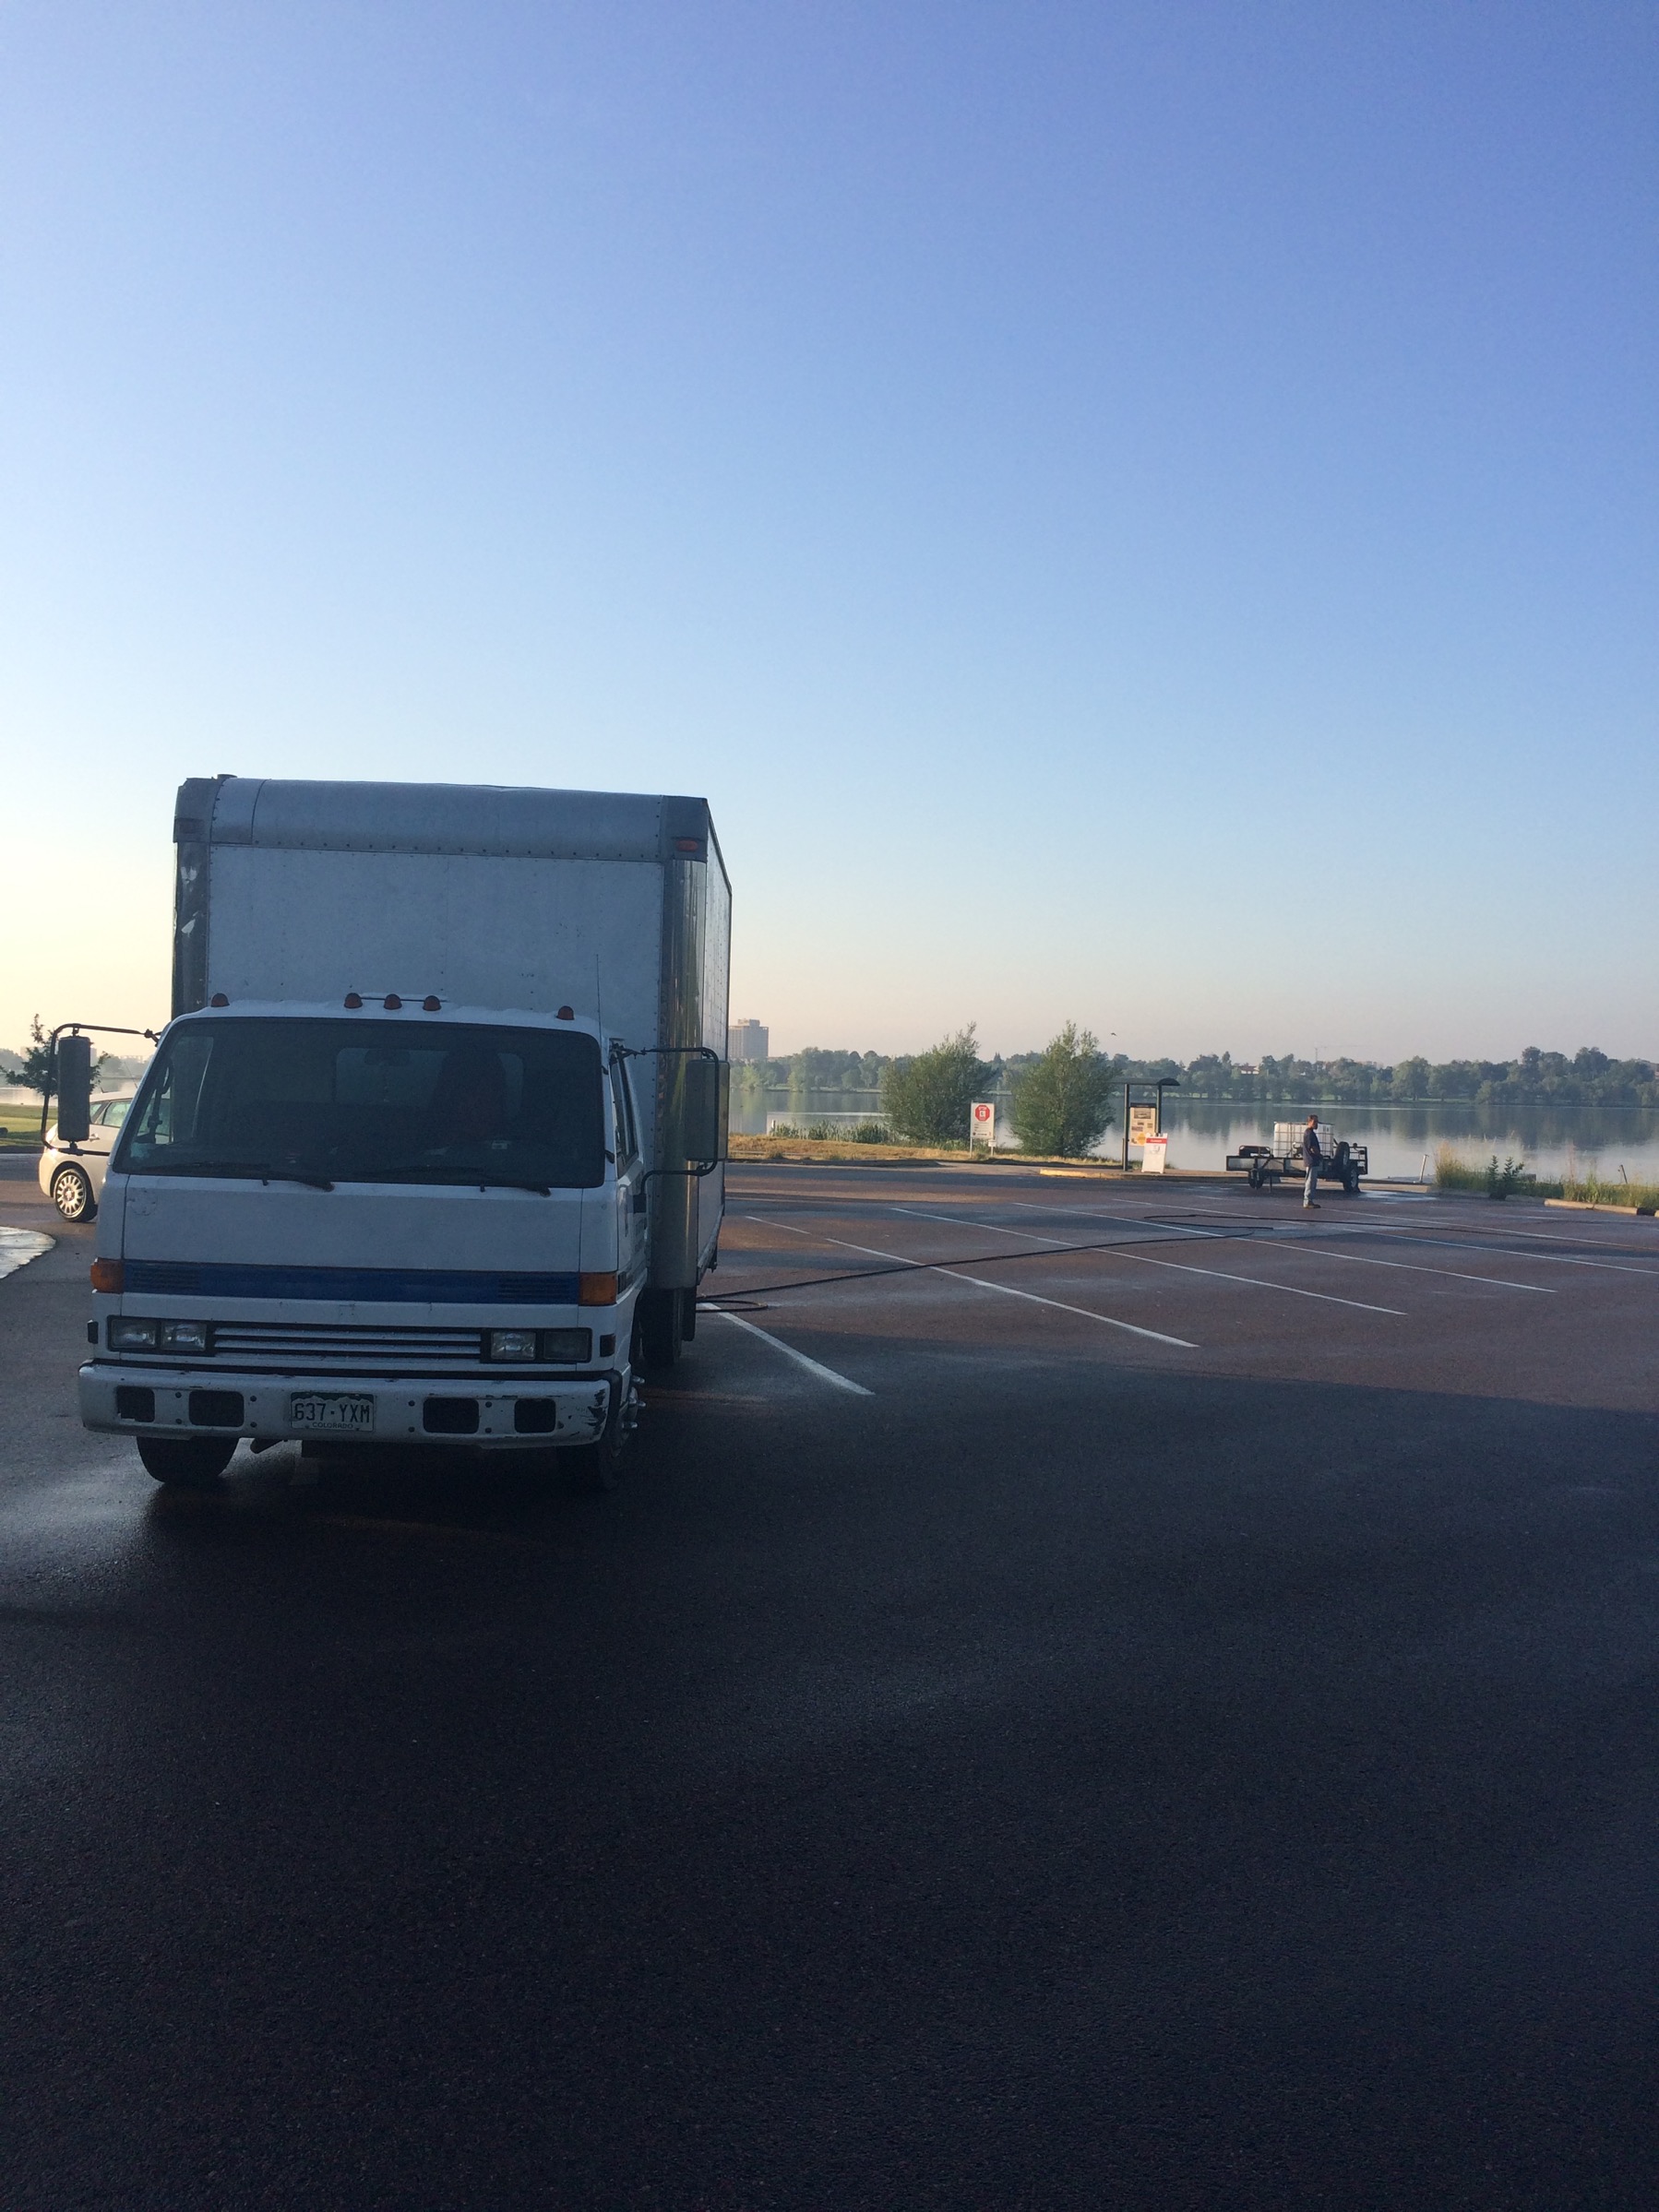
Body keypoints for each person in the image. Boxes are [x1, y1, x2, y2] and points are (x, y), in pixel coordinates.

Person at [1302, 1113, 1322, 1209]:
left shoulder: (1311, 1133)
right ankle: (1308, 1201)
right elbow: (1312, 1148)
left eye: (1317, 1122)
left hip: (1312, 1160)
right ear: (1309, 1122)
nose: (1316, 1124)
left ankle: (1309, 1200)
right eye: (1314, 1122)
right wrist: (1319, 1155)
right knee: (1310, 1181)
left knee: (1312, 1181)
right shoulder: (1309, 1133)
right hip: (1311, 1160)